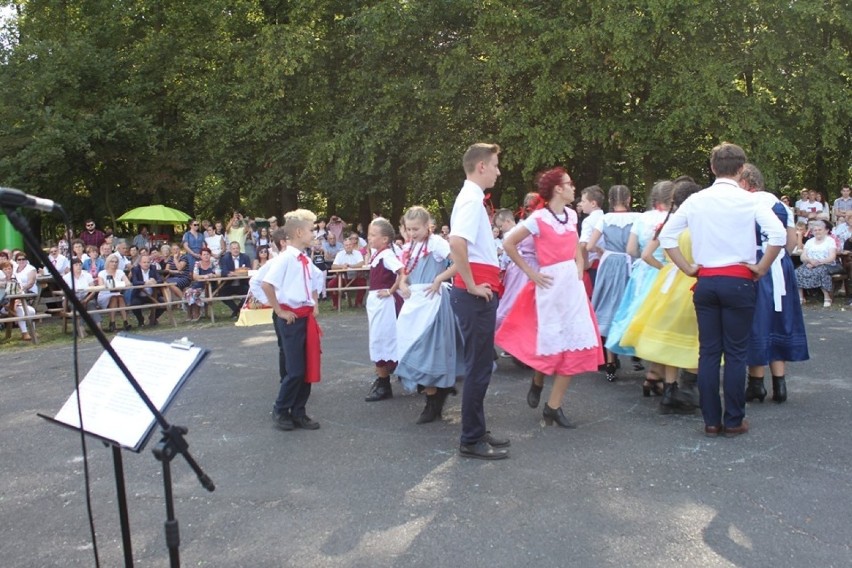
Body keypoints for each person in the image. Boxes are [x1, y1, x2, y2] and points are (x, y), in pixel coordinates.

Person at [659, 143, 786, 437]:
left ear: (712, 167)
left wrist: (688, 268)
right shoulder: (751, 201)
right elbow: (778, 234)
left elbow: (667, 237)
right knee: (736, 353)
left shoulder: (696, 201)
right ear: (742, 169)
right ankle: (733, 420)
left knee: (708, 352)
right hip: (740, 280)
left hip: (706, 280)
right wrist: (762, 266)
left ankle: (711, 421)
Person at [496, 167, 603, 428]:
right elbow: (509, 244)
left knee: (573, 346)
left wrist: (579, 266)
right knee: (551, 344)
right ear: (558, 189)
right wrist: (531, 273)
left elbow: (577, 244)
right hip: (549, 287)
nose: (573, 188)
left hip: (572, 287)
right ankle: (538, 380)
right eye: (569, 184)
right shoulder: (539, 218)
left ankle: (553, 407)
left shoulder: (571, 216)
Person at [621, 180, 703, 414]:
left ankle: (669, 390)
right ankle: (689, 391)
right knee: (693, 340)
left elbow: (645, 254)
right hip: (692, 281)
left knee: (669, 338)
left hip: (668, 284)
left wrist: (666, 268)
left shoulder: (668, 224)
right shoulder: (697, 225)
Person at [449, 142, 509, 460]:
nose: (499, 172)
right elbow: (456, 242)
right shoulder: (471, 201)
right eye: (496, 165)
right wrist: (471, 285)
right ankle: (471, 438)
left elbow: (463, 248)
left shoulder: (471, 199)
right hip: (475, 294)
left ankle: (476, 431)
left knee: (481, 366)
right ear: (482, 166)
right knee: (479, 368)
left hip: (478, 289)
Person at [738, 164, 809, 405]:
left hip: (757, 264)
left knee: (757, 321)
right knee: (780, 319)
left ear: (746, 182)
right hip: (781, 266)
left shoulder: (744, 204)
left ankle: (756, 383)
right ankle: (780, 383)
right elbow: (789, 244)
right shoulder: (781, 206)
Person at [605, 180, 674, 391]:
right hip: (666, 271)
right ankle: (658, 374)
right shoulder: (673, 218)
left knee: (641, 319)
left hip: (643, 273)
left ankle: (653, 374)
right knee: (665, 324)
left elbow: (631, 248)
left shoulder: (643, 218)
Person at [395, 206, 460, 424]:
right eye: (409, 229)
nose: (412, 233)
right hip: (415, 303)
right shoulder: (411, 245)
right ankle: (436, 393)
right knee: (414, 347)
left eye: (416, 229)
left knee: (430, 350)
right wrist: (403, 283)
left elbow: (459, 262)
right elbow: (406, 270)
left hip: (433, 303)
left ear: (427, 226)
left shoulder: (436, 244)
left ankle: (433, 402)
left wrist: (439, 279)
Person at [261, 209, 324, 431]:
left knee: (307, 368)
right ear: (298, 232)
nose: (314, 233)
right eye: (311, 229)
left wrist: (313, 303)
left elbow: (313, 282)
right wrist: (279, 311)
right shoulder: (286, 258)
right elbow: (266, 284)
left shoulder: (304, 258)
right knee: (295, 369)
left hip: (305, 317)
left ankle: (299, 411)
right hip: (291, 319)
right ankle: (281, 409)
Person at [585, 185, 639, 381]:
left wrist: (602, 252)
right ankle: (637, 353)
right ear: (629, 199)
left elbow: (590, 245)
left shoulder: (604, 219)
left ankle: (610, 362)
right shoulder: (638, 218)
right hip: (629, 263)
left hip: (609, 265)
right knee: (630, 305)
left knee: (608, 306)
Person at [363, 218, 405, 402]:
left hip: (385, 305)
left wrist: (391, 290)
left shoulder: (387, 255)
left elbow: (402, 271)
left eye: (373, 235)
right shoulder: (377, 254)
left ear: (385, 239)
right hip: (377, 304)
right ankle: (383, 379)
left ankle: (384, 381)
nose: (369, 238)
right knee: (379, 339)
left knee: (382, 340)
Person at [794, 219, 836, 307]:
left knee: (821, 271)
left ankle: (827, 297)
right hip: (810, 263)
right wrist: (810, 261)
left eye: (820, 230)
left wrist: (818, 262)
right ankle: (800, 297)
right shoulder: (809, 241)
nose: (817, 232)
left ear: (826, 230)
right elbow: (803, 256)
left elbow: (832, 257)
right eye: (815, 230)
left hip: (826, 263)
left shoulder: (830, 240)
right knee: (797, 271)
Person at [578, 185, 606, 294]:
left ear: (593, 203)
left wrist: (584, 264)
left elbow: (583, 244)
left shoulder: (588, 221)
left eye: (583, 201)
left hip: (593, 265)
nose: (581, 204)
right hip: (606, 262)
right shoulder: (607, 218)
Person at [1, 259, 36, 341]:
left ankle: (32, 331)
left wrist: (17, 302)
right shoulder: (1, 282)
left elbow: (21, 292)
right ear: (1, 271)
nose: (8, 271)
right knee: (20, 311)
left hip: (18, 303)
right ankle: (24, 333)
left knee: (32, 310)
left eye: (9, 268)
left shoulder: (16, 279)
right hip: (5, 307)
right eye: (5, 269)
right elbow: (2, 300)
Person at [329, 234, 366, 309]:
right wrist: (341, 266)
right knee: (331, 284)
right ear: (344, 246)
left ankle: (358, 303)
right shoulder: (340, 254)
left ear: (352, 245)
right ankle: (336, 304)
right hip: (342, 278)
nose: (348, 246)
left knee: (363, 283)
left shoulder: (357, 253)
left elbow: (362, 263)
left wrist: (351, 266)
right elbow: (333, 266)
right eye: (346, 245)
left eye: (349, 244)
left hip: (355, 277)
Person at [97, 254, 132, 332]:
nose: (114, 263)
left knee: (119, 297)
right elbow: (101, 286)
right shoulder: (102, 273)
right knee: (114, 298)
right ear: (108, 262)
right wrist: (112, 286)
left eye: (116, 262)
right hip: (105, 295)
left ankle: (125, 321)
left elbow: (128, 283)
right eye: (112, 262)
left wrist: (121, 285)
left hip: (117, 293)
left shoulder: (120, 272)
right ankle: (112, 322)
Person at [129, 254, 166, 327]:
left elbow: (160, 279)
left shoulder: (153, 268)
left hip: (152, 295)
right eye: (144, 262)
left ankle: (153, 318)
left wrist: (155, 281)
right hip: (139, 295)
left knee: (164, 303)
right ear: (140, 263)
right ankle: (140, 320)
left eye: (148, 262)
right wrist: (145, 282)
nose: (146, 264)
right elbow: (135, 282)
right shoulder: (135, 269)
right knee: (134, 305)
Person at [219, 241, 251, 318]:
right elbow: (224, 272)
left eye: (237, 248)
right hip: (229, 284)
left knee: (249, 294)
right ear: (230, 250)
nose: (235, 250)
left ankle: (236, 312)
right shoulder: (225, 258)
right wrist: (230, 273)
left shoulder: (245, 257)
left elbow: (249, 270)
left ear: (240, 249)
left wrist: (237, 273)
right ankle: (237, 310)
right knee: (221, 294)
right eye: (233, 249)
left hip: (242, 284)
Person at [185, 248, 216, 321]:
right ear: (201, 256)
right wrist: (205, 276)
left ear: (210, 255)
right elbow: (195, 276)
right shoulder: (197, 264)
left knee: (195, 293)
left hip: (210, 286)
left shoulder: (214, 263)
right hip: (198, 284)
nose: (206, 256)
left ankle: (196, 312)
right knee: (188, 292)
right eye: (204, 254)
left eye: (208, 254)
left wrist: (212, 275)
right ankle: (189, 313)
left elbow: (219, 274)